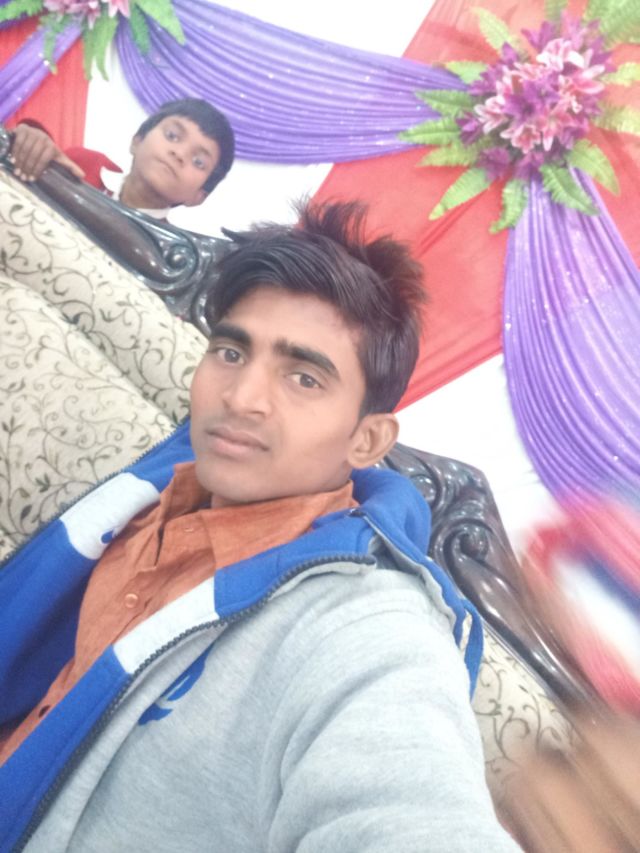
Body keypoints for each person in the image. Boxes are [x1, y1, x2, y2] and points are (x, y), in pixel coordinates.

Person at [0, 201, 518, 852]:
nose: (241, 397)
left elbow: (411, 812)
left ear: (366, 440)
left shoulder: (366, 629)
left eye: (304, 377)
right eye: (230, 351)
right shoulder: (152, 496)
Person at [9, 97, 235, 219]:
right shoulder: (84, 163)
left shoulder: (168, 256)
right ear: (137, 140)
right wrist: (30, 141)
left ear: (198, 196)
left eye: (198, 162)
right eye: (172, 136)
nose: (180, 154)